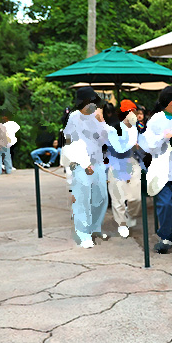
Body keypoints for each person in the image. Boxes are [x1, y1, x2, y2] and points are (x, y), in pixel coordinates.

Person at [141, 86, 172, 253]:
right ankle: (164, 237)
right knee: (166, 204)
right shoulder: (156, 119)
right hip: (160, 169)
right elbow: (148, 145)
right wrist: (164, 137)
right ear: (169, 101)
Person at [62, 87, 110, 249]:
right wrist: (84, 163)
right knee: (82, 198)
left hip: (97, 162)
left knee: (101, 196)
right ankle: (83, 234)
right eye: (90, 102)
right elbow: (71, 141)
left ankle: (95, 227)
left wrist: (102, 122)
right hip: (80, 163)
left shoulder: (96, 116)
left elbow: (105, 140)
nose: (92, 105)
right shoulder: (74, 117)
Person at [105, 99, 142, 238]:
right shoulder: (114, 128)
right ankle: (121, 224)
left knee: (136, 197)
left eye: (135, 112)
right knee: (117, 197)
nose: (134, 115)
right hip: (116, 163)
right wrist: (132, 144)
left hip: (132, 162)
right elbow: (118, 148)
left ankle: (131, 214)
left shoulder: (137, 128)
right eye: (131, 112)